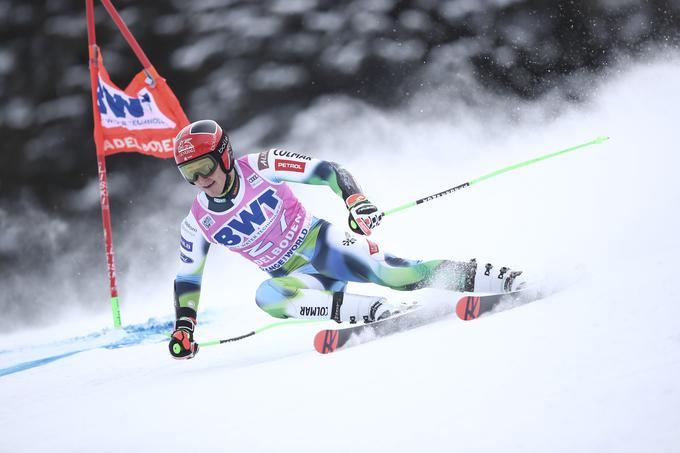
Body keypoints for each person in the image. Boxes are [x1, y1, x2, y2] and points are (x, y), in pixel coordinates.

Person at [169, 120, 525, 359]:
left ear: (225, 156)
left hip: (324, 245)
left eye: (204, 167)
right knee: (267, 296)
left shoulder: (261, 166)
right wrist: (184, 326)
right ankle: (373, 312)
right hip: (299, 277)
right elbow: (187, 277)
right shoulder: (197, 222)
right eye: (189, 174)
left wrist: (355, 199)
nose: (200, 179)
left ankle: (499, 278)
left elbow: (328, 171)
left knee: (398, 276)